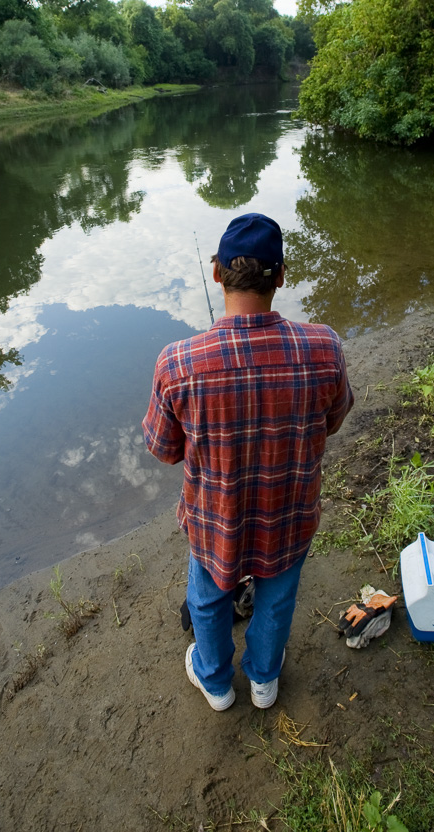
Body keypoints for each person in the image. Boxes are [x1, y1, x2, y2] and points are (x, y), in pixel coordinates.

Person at [142, 213, 354, 711]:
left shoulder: (177, 361)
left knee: (209, 601)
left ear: (217, 273)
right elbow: (333, 420)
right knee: (277, 600)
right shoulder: (325, 347)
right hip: (290, 516)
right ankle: (263, 679)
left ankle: (215, 683)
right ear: (280, 277)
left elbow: (165, 449)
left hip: (214, 521)